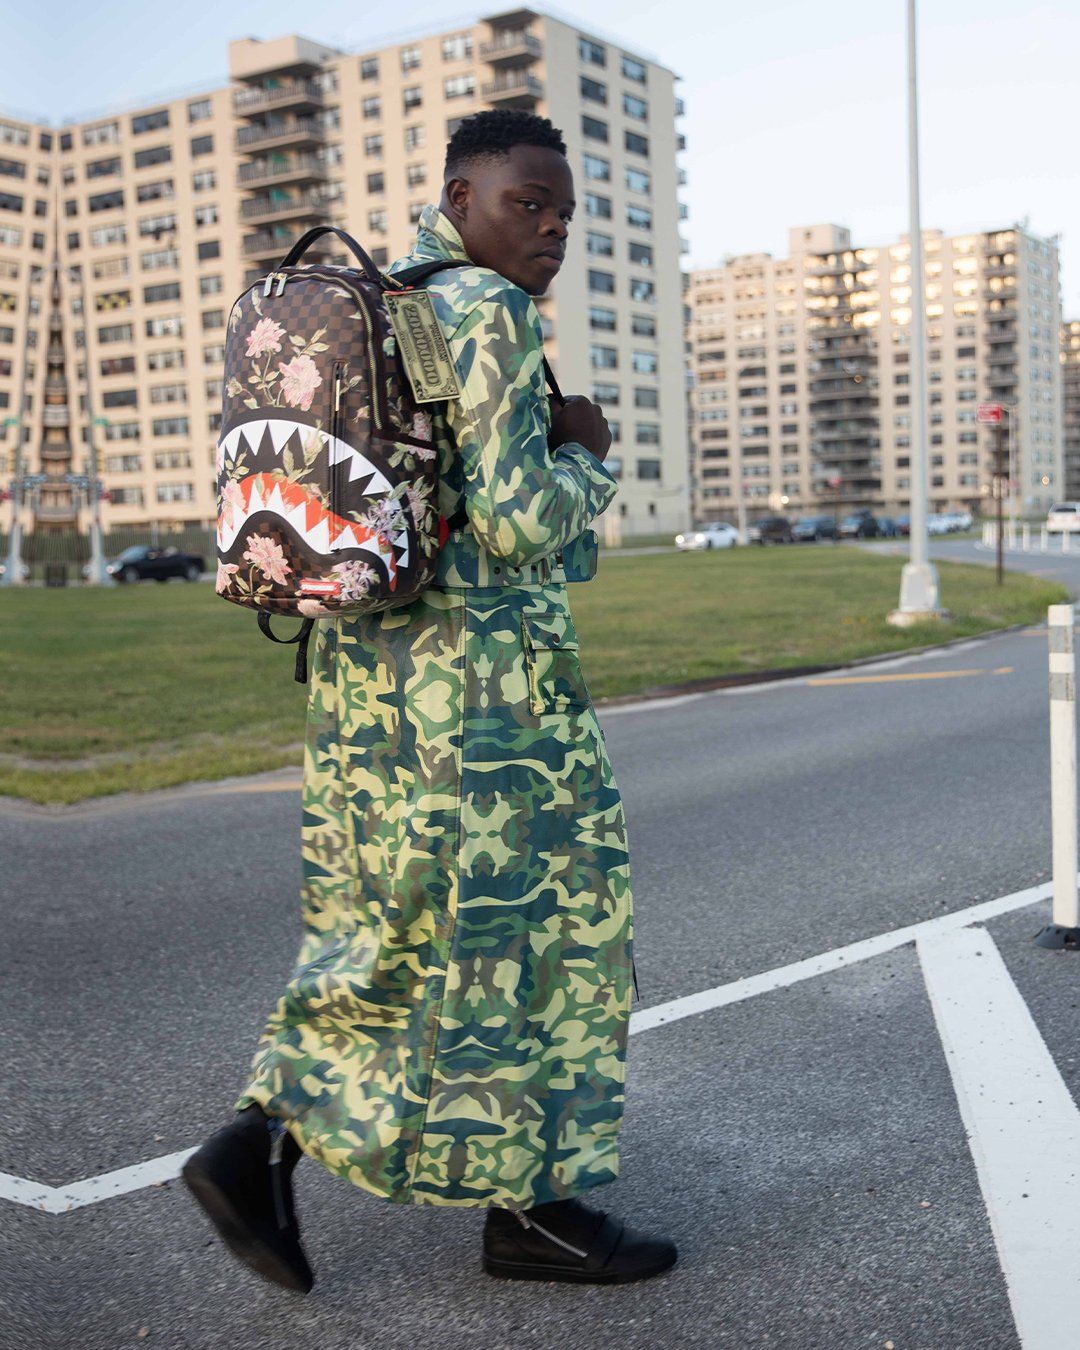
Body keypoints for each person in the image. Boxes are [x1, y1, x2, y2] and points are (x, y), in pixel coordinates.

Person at [183, 108, 676, 1290]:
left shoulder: (386, 295)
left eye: (565, 210)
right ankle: (530, 1208)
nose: (552, 227)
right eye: (527, 202)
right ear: (461, 197)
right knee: (537, 937)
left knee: (390, 929)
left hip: (366, 687)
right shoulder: (488, 313)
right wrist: (590, 453)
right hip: (487, 701)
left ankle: (273, 1143)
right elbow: (520, 522)